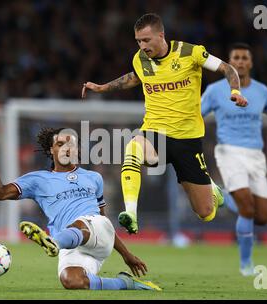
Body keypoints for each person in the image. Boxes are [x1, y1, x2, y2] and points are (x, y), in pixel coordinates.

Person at [82, 13, 247, 234]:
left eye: (146, 40)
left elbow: (228, 69)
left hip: (188, 139)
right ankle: (130, 213)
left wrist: (235, 91)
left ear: (161, 35)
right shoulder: (140, 59)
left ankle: (212, 189)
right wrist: (103, 88)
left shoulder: (191, 52)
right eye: (138, 41)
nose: (142, 46)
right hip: (155, 131)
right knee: (133, 147)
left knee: (205, 212)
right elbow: (135, 77)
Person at [0, 128, 161, 291]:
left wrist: (126, 253)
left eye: (71, 145)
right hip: (73, 246)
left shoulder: (93, 177)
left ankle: (54, 243)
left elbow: (104, 223)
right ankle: (126, 284)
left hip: (94, 231)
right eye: (60, 144)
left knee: (82, 223)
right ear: (51, 150)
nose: (67, 148)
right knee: (72, 281)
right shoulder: (38, 180)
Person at [201, 43, 267, 276]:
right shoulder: (215, 90)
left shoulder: (261, 91)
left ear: (251, 63)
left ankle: (223, 197)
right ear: (229, 62)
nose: (241, 61)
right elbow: (197, 114)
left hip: (256, 155)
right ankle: (246, 265)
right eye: (236, 57)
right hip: (228, 152)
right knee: (246, 208)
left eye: (245, 57)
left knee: (262, 216)